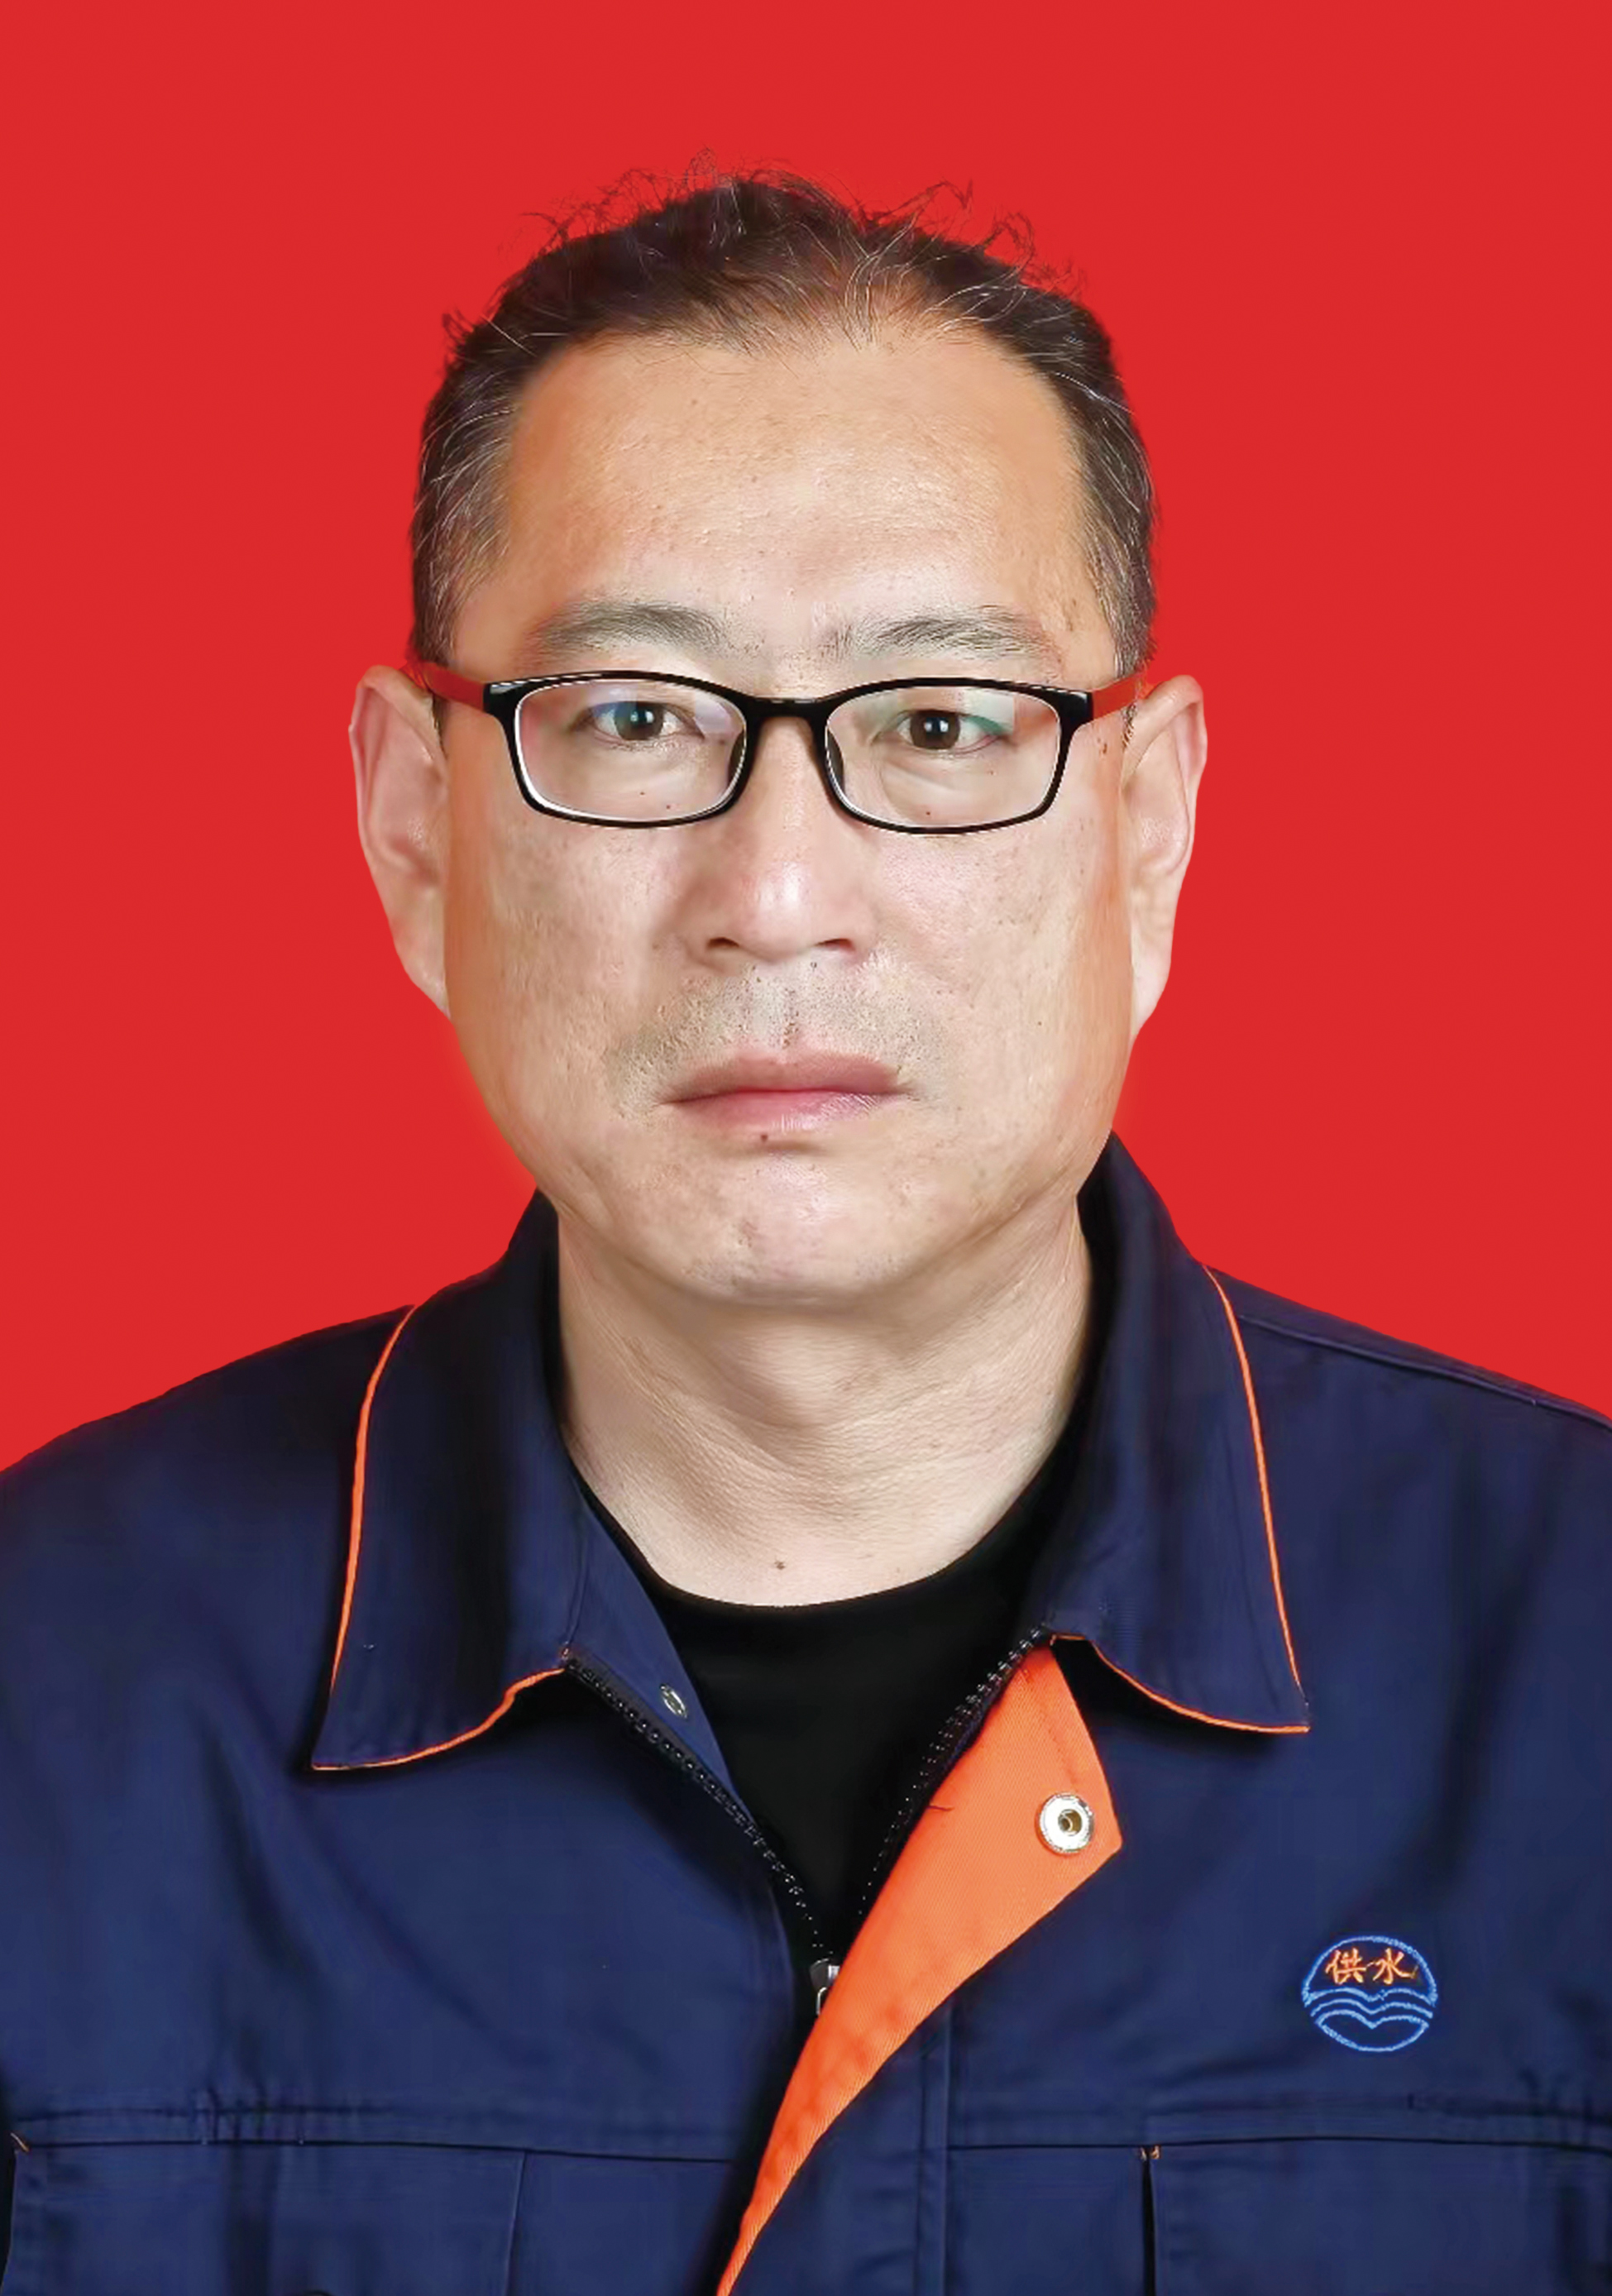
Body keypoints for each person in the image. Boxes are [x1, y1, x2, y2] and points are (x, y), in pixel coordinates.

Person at [1, 172, 1607, 2296]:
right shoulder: (48, 1689)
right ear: (415, 824)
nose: (775, 894)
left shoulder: (1574, 1661)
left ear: (1147, 829)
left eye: (939, 725)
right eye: (632, 717)